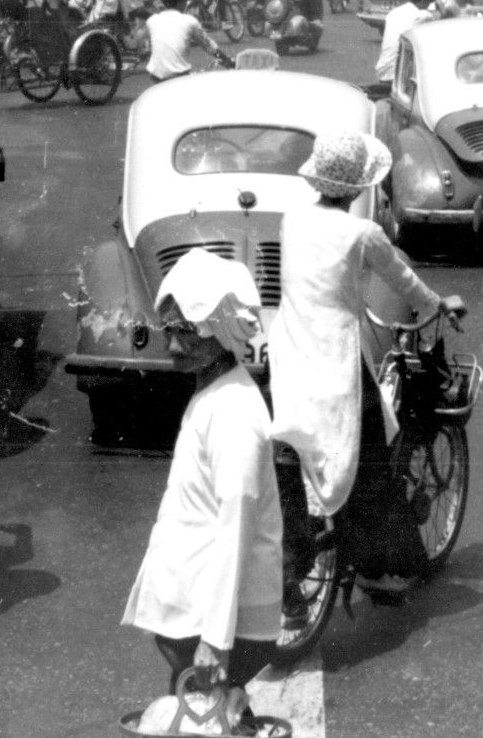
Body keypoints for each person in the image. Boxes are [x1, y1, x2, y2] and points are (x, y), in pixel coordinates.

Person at [269, 132, 466, 599]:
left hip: (290, 353)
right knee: (370, 458)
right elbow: (403, 280)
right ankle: (379, 566)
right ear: (358, 186)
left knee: (306, 447)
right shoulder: (362, 233)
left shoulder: (292, 219)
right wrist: (439, 305)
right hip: (334, 358)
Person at [121, 248, 281, 694]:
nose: (174, 346)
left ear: (222, 332)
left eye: (189, 334)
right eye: (171, 331)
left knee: (205, 710)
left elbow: (237, 525)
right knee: (210, 711)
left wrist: (216, 638)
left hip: (213, 623)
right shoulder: (213, 394)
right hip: (195, 607)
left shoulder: (233, 412)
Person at [145, 0, 233, 83]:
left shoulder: (152, 20)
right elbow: (209, 46)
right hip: (178, 75)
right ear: (182, 1)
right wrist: (227, 61)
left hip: (155, 75)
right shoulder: (189, 21)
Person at [374, 0, 438, 84]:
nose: (429, 6)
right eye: (429, 2)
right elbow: (443, 14)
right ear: (424, 0)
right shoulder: (421, 16)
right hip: (399, 78)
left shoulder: (393, 13)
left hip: (384, 72)